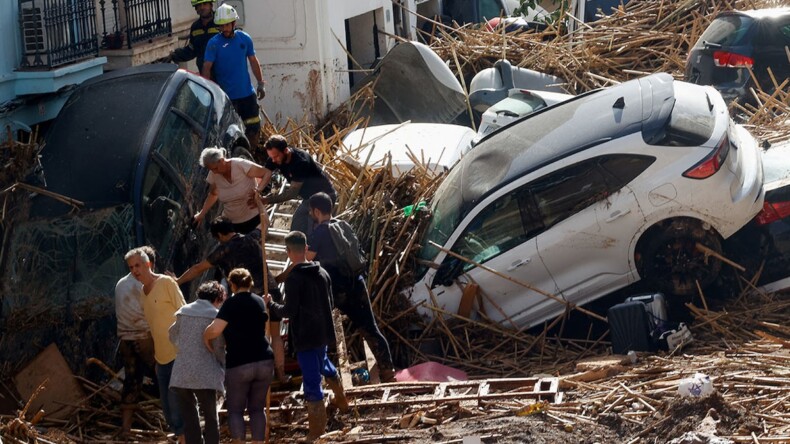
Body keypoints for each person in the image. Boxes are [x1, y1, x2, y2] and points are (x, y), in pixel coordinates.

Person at [175, 216, 287, 382]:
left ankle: (260, 378)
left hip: (250, 299)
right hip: (271, 292)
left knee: (255, 338)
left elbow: (198, 268)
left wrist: (177, 281)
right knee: (276, 336)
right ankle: (281, 375)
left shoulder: (223, 250)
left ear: (220, 235)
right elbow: (264, 222)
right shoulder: (251, 238)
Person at [264, 232, 348, 442]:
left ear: (289, 252)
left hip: (305, 335)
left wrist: (271, 305)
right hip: (322, 332)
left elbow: (289, 312)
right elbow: (329, 303)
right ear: (306, 247)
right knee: (324, 364)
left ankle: (317, 431)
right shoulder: (322, 272)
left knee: (311, 381)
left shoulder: (294, 279)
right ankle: (341, 399)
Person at [306, 192, 397, 383]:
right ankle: (388, 372)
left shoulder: (320, 232)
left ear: (316, 211)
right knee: (371, 329)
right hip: (357, 283)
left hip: (337, 290)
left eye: (311, 212)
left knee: (323, 330)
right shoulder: (343, 225)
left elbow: (308, 258)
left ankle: (326, 375)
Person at [204, 268, 274, 444]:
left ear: (232, 285)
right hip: (265, 360)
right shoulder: (259, 301)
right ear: (250, 283)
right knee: (257, 409)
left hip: (240, 363)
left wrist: (205, 336)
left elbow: (215, 330)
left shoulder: (230, 304)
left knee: (235, 410)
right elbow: (265, 331)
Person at [125, 248, 186, 443]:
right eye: (131, 267)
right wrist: (157, 359)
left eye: (138, 265)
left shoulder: (166, 283)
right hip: (162, 359)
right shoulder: (143, 293)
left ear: (148, 264)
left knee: (177, 408)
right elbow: (153, 327)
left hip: (178, 354)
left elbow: (184, 312)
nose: (135, 270)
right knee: (168, 411)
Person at [169, 281, 226, 444]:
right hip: (206, 373)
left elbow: (172, 335)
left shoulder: (183, 312)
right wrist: (222, 366)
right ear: (217, 298)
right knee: (211, 417)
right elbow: (218, 346)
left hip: (182, 372)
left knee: (189, 418)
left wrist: (185, 350)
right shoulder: (215, 315)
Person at [202, 3, 265, 148]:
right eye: (221, 26)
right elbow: (207, 67)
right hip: (227, 98)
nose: (224, 29)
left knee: (254, 127)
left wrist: (260, 83)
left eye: (227, 25)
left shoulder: (244, 39)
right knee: (229, 133)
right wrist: (208, 89)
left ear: (233, 23)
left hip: (247, 95)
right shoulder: (213, 44)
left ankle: (252, 155)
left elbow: (254, 61)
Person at [257, 134, 337, 236]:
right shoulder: (275, 157)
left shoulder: (300, 162)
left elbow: (292, 193)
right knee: (297, 224)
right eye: (271, 157)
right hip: (309, 198)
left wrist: (267, 200)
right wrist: (258, 189)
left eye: (275, 156)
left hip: (324, 196)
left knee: (312, 230)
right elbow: (266, 173)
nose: (273, 160)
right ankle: (296, 249)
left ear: (286, 151)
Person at [115, 246, 157, 436]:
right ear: (151, 264)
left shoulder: (120, 283)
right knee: (164, 375)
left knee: (131, 381)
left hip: (125, 340)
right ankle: (177, 427)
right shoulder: (146, 284)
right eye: (134, 266)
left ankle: (126, 429)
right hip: (145, 338)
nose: (136, 270)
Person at [194, 146, 269, 233]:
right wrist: (202, 214)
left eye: (215, 168)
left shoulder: (240, 165)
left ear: (222, 160)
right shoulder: (214, 174)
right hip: (232, 224)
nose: (214, 172)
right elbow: (213, 194)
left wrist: (258, 190)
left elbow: (266, 173)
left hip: (255, 219)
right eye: (211, 169)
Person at [168, 0, 218, 73]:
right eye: (199, 5)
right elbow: (192, 50)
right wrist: (174, 55)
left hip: (221, 73)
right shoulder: (195, 27)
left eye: (205, 4)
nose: (202, 7)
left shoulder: (220, 23)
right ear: (196, 8)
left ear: (211, 5)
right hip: (205, 74)